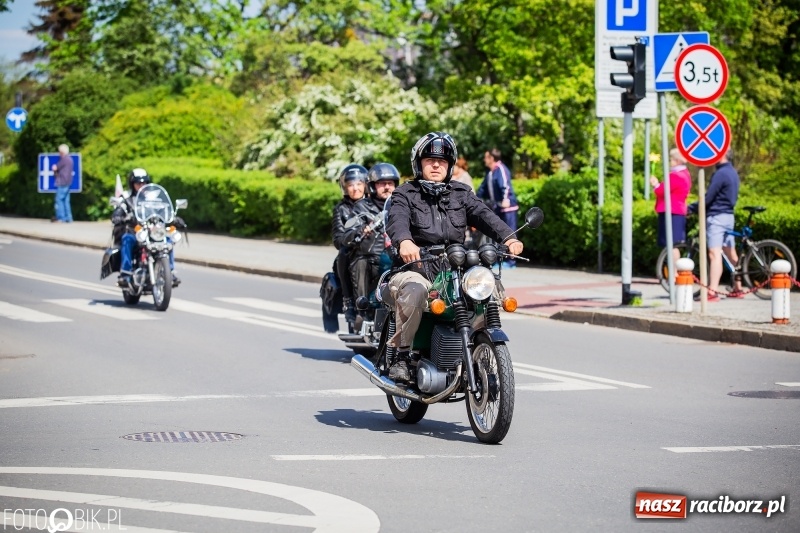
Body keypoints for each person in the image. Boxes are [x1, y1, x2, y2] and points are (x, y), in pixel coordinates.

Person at [385, 132, 524, 381]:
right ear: (419, 163)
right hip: (416, 268)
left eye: (442, 161)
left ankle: (480, 345)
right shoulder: (405, 193)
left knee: (487, 286)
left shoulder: (461, 193)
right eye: (429, 159)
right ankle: (402, 356)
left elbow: (484, 215)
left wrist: (509, 237)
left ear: (450, 165)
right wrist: (405, 241)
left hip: (454, 268)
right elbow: (397, 220)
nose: (436, 164)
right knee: (416, 291)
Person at [111, 168, 180, 287]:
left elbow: (164, 212)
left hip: (153, 233)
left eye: (144, 183)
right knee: (126, 239)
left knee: (168, 241)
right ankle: (126, 273)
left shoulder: (155, 200)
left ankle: (170, 272)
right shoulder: (127, 200)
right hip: (136, 233)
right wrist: (120, 218)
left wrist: (174, 218)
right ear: (132, 185)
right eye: (138, 183)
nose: (141, 185)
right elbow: (117, 213)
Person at [688, 148, 742, 300]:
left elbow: (709, 197)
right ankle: (738, 287)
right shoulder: (733, 172)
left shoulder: (720, 174)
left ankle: (712, 291)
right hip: (729, 215)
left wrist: (692, 208)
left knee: (714, 253)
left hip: (717, 216)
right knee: (731, 252)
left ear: (722, 155)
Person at [332, 164, 370, 324]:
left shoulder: (373, 205)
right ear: (345, 188)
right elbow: (338, 239)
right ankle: (348, 301)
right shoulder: (341, 209)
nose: (355, 188)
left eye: (359, 184)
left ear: (366, 185)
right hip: (354, 250)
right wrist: (355, 235)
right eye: (350, 185)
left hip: (375, 249)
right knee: (343, 254)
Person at [477, 148, 519, 267]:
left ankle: (511, 261)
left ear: (491, 158)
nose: (484, 160)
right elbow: (482, 189)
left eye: (486, 157)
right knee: (499, 235)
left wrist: (506, 199)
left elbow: (505, 185)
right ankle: (500, 259)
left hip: (507, 209)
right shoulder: (490, 173)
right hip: (497, 209)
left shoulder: (501, 169)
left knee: (510, 234)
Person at [650, 149, 691, 267]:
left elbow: (661, 191)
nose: (670, 162)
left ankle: (673, 273)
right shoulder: (685, 174)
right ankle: (673, 272)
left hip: (671, 211)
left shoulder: (676, 176)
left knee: (672, 245)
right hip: (676, 211)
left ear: (677, 161)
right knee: (674, 244)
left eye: (671, 159)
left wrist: (655, 184)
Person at [52, 144, 74, 223]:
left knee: (59, 200)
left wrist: (54, 168)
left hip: (62, 182)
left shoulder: (64, 159)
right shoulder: (70, 159)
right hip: (68, 182)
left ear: (62, 152)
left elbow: (55, 167)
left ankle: (61, 218)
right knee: (66, 201)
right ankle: (69, 217)